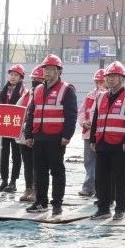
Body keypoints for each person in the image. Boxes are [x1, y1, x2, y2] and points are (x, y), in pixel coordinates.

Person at [22, 54, 78, 217]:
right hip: (39, 136)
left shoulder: (67, 89)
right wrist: (29, 134)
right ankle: (40, 202)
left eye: (51, 69)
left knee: (57, 171)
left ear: (59, 71)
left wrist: (67, 135)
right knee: (39, 172)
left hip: (56, 136)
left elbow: (71, 114)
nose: (47, 72)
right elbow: (32, 112)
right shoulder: (38, 89)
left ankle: (57, 203)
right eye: (45, 69)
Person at [90, 62, 125, 220]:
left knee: (120, 178)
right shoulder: (101, 96)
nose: (110, 79)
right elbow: (96, 118)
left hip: (120, 144)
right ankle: (103, 208)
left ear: (122, 78)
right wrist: (92, 139)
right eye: (108, 76)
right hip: (102, 142)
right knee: (101, 178)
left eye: (114, 76)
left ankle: (120, 209)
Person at [0, 65, 26, 193]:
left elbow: (24, 107)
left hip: (16, 126)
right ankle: (4, 180)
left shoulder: (23, 91)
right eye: (11, 74)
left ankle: (13, 181)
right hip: (4, 126)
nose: (13, 77)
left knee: (16, 154)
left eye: (16, 75)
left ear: (21, 78)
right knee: (3, 154)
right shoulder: (4, 90)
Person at [16, 66, 44, 203]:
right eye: (34, 79)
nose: (36, 81)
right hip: (24, 134)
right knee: (27, 163)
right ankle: (28, 187)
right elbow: (17, 111)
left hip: (38, 133)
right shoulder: (26, 95)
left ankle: (36, 189)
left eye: (39, 79)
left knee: (37, 164)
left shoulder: (43, 94)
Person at [77, 69, 105, 198]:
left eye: (102, 81)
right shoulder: (89, 96)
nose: (100, 84)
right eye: (98, 81)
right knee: (89, 161)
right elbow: (81, 111)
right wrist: (83, 123)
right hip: (88, 134)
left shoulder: (107, 96)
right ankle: (89, 187)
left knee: (102, 162)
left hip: (102, 135)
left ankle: (100, 188)